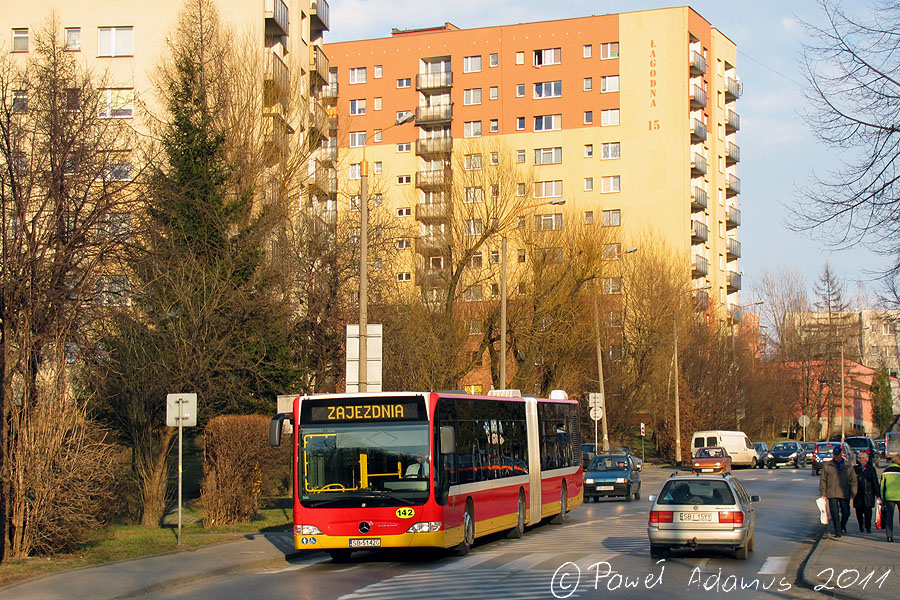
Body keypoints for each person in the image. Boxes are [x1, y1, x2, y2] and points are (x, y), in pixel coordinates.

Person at [819, 445, 858, 538]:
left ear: (841, 454)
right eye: (834, 454)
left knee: (846, 512)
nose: (836, 456)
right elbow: (823, 480)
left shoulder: (848, 466)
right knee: (834, 513)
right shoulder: (827, 465)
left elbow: (853, 480)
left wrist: (854, 492)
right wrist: (823, 493)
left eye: (837, 454)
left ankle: (842, 525)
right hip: (832, 492)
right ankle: (837, 531)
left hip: (844, 492)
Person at [853, 451, 880, 533]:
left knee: (868, 511)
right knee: (859, 511)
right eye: (860, 458)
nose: (862, 460)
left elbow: (875, 482)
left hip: (869, 493)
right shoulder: (855, 469)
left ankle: (868, 527)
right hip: (858, 494)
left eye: (864, 458)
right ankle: (861, 526)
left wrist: (878, 495)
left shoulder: (871, 469)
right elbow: (851, 481)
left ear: (867, 459)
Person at [881, 453, 900, 543]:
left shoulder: (886, 471)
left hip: (889, 496)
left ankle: (889, 536)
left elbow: (882, 486)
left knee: (889, 516)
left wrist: (882, 497)